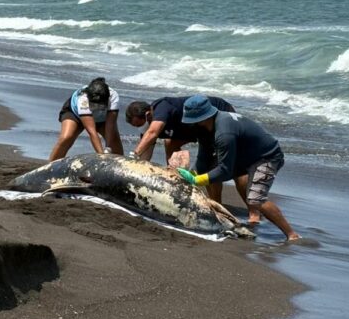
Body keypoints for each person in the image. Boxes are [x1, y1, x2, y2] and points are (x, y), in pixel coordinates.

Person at [176, 94, 300, 241]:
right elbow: (203, 158)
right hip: (245, 154)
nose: (191, 124)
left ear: (202, 118)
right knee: (209, 169)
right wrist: (191, 173)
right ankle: (217, 212)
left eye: (193, 120)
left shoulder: (224, 132)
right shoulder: (205, 128)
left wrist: (197, 180)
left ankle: (292, 234)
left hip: (266, 157)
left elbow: (225, 170)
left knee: (256, 199)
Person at [125, 95, 235, 203]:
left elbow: (152, 133)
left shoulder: (162, 108)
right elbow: (145, 154)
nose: (140, 128)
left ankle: (216, 202)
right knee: (170, 143)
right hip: (195, 128)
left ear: (148, 115)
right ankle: (177, 179)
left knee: (211, 165)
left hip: (216, 114)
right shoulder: (149, 128)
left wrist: (134, 155)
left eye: (139, 125)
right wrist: (135, 170)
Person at [48, 77, 123, 161]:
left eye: (100, 105)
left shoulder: (113, 97)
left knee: (114, 142)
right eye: (94, 105)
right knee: (66, 137)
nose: (96, 108)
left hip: (102, 117)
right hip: (75, 114)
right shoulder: (82, 98)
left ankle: (120, 165)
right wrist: (101, 155)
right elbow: (92, 132)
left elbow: (110, 125)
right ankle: (50, 165)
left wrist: (108, 148)